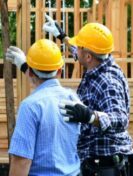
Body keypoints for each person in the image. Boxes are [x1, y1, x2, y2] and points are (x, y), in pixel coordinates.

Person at [43, 15, 133, 175]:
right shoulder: (98, 62)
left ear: (88, 57)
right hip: (95, 161)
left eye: (79, 47)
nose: (75, 49)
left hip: (105, 165)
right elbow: (79, 52)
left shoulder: (108, 82)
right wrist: (63, 37)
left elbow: (121, 119)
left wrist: (91, 116)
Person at [6, 39, 81, 176]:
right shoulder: (73, 99)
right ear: (59, 71)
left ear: (29, 72)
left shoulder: (30, 107)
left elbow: (22, 161)